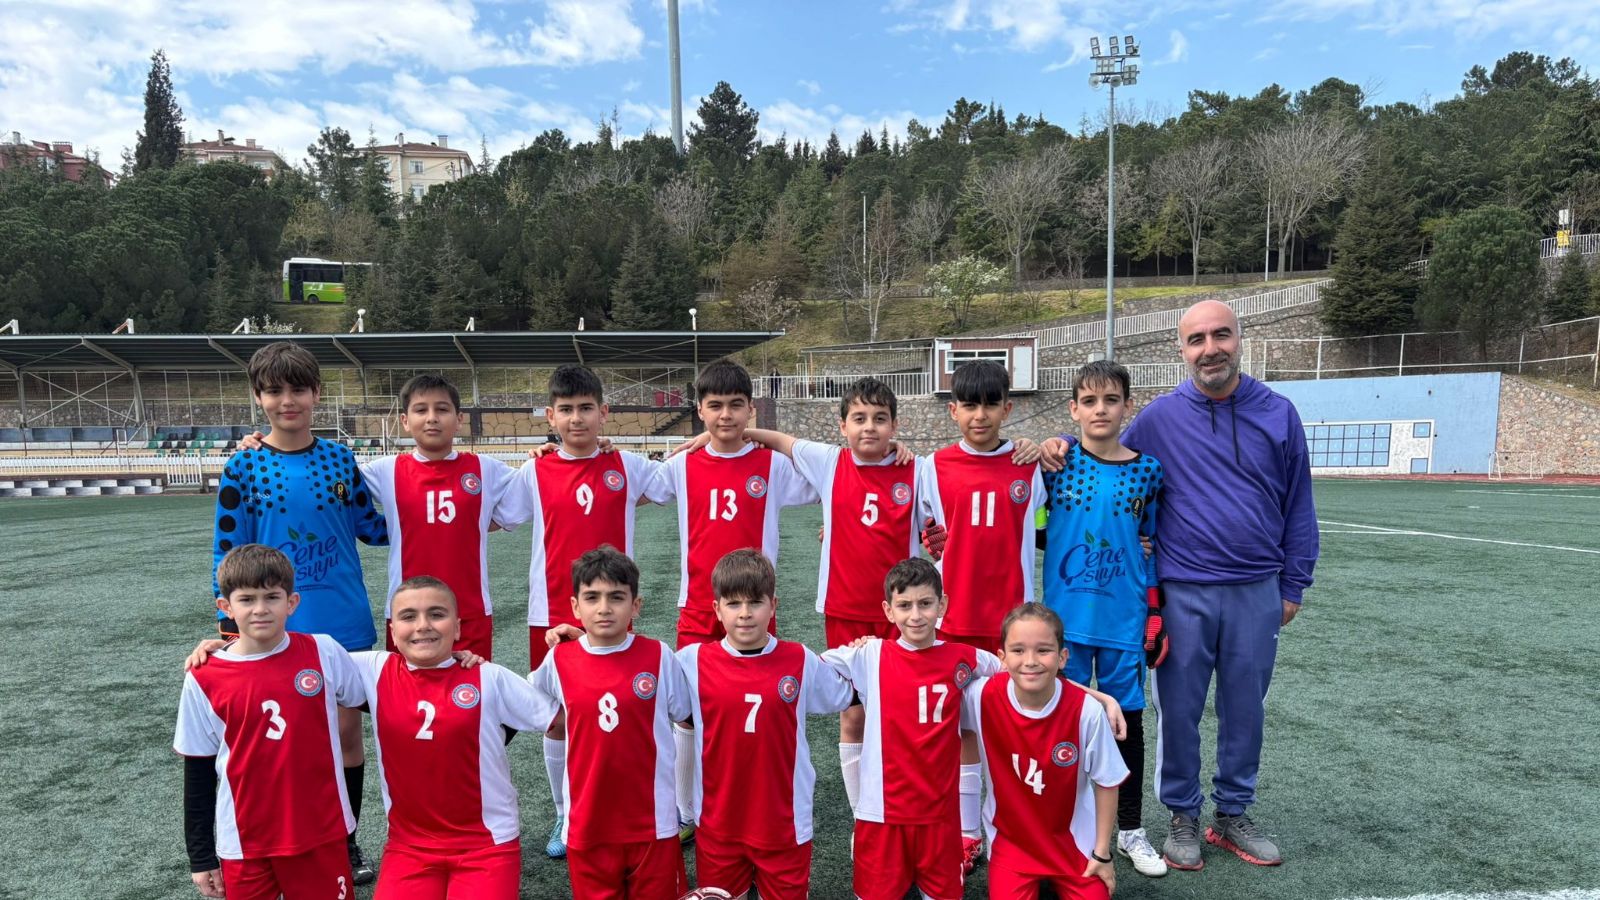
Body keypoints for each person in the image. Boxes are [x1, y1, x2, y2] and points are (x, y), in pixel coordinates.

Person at [1046, 299, 1318, 870]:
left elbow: (1299, 502)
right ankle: (1182, 815)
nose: (1210, 349)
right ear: (1182, 350)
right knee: (1178, 711)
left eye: (1221, 335)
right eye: (1197, 339)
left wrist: (1294, 584)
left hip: (1256, 588)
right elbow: (1104, 448)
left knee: (1245, 708)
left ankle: (1233, 812)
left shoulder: (1279, 413)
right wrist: (1060, 444)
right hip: (1182, 589)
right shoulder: (1160, 418)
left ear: (1239, 339)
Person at [186, 576, 545, 900]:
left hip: (486, 843)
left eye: (436, 615)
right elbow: (281, 661)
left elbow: (555, 719)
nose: (422, 626)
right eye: (408, 617)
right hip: (410, 847)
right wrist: (228, 649)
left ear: (457, 626)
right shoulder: (372, 668)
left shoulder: (487, 676)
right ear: (393, 630)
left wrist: (489, 734)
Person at [210, 340, 387, 883]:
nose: (286, 400)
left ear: (316, 394)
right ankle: (281, 842)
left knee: (347, 736)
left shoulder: (340, 458)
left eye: (297, 389)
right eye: (273, 390)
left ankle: (346, 838)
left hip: (344, 616)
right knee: (284, 740)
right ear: (258, 397)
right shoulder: (243, 466)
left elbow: (373, 527)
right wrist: (229, 630)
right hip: (275, 625)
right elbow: (226, 548)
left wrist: (465, 516)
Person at [641, 359, 818, 840]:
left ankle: (753, 797)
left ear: (750, 409)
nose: (725, 415)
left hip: (754, 611)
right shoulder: (682, 466)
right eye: (715, 406)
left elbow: (832, 477)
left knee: (754, 707)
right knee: (688, 713)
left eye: (736, 405)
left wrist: (762, 438)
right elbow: (632, 484)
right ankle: (687, 811)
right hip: (699, 606)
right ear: (699, 410)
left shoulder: (773, 466)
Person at [509, 364, 666, 860]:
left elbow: (681, 477)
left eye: (586, 409)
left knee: (616, 711)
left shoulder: (629, 466)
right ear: (550, 416)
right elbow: (493, 516)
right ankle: (566, 811)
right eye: (566, 410)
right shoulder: (533, 471)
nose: (576, 419)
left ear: (604, 412)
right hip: (549, 609)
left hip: (611, 612)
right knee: (557, 718)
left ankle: (620, 804)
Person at [176, 544, 367, 899]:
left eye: (272, 597)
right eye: (247, 599)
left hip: (321, 832)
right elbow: (198, 771)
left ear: (291, 602)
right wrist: (200, 857)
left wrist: (453, 662)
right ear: (226, 607)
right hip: (245, 842)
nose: (260, 609)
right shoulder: (203, 675)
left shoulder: (324, 651)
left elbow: (384, 690)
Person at [1038, 360, 1168, 878]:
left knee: (1126, 725)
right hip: (1064, 622)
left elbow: (1151, 544)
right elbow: (1034, 527)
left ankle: (1131, 830)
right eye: (1089, 401)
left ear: (1127, 407)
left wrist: (1154, 612)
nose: (1100, 410)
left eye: (1111, 400)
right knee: (1062, 722)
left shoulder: (1149, 471)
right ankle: (1064, 827)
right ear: (1073, 409)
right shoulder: (1057, 464)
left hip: (1122, 620)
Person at [915, 358, 1046, 869]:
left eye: (991, 405)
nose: (980, 415)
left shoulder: (1030, 465)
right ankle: (969, 831)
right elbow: (921, 528)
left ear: (1008, 408)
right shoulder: (932, 467)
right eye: (969, 405)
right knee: (963, 730)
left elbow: (1051, 519)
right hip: (955, 621)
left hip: (1014, 627)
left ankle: (1016, 828)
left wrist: (1050, 443)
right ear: (953, 411)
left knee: (1016, 728)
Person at [675, 549, 855, 899]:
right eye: (733, 603)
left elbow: (851, 693)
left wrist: (864, 650)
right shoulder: (691, 662)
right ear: (717, 609)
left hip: (784, 825)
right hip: (718, 824)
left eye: (755, 602)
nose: (744, 613)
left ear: (773, 605)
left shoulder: (799, 659)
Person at [530, 547, 693, 899]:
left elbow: (687, 718)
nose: (604, 608)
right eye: (592, 597)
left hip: (653, 823)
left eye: (617, 597)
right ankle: (561, 815)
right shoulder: (558, 659)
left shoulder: (658, 656)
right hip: (588, 825)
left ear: (636, 605)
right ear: (575, 607)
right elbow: (527, 705)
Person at [962, 603, 1127, 900]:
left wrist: (1102, 853)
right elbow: (927, 678)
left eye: (1043, 650)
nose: (1030, 661)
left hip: (1073, 844)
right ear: (1002, 657)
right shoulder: (981, 696)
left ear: (1062, 657)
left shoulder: (1086, 711)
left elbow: (1108, 782)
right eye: (1018, 650)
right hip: (1012, 845)